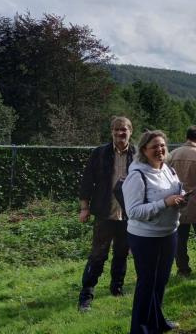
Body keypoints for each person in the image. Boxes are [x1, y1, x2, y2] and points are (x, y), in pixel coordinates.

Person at [122, 130, 185, 334]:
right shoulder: (137, 175)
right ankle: (140, 329)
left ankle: (157, 322)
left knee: (160, 281)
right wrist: (164, 203)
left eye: (162, 145)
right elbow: (133, 211)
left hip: (169, 233)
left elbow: (176, 190)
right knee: (147, 284)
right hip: (145, 237)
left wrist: (182, 197)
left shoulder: (168, 169)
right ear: (143, 150)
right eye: (154, 147)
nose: (159, 150)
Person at [77, 116, 135, 311]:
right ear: (112, 131)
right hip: (104, 213)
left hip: (128, 215)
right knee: (98, 255)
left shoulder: (137, 154)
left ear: (130, 131)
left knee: (121, 253)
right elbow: (87, 181)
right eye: (117, 130)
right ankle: (86, 295)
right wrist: (84, 208)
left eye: (124, 130)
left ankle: (116, 288)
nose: (120, 133)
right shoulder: (99, 153)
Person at [168, 125, 196, 276]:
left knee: (180, 240)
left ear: (186, 137)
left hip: (177, 202)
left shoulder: (172, 154)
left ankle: (183, 268)